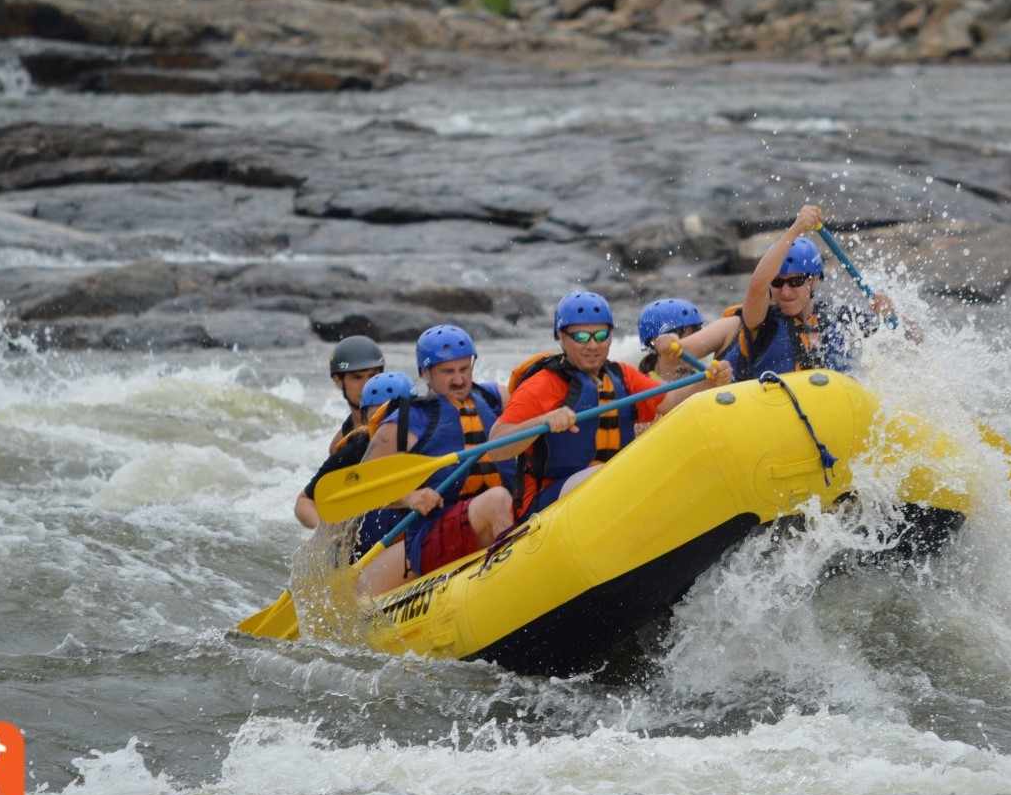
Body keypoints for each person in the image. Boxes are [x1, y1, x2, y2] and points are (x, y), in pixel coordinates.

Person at [489, 291, 734, 516]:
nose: (593, 345)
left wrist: (709, 382)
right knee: (615, 475)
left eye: (601, 335)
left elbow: (671, 402)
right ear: (561, 338)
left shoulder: (622, 376)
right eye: (582, 337)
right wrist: (542, 420)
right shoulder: (543, 384)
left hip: (612, 493)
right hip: (548, 505)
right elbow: (496, 446)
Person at [363, 325, 516, 579]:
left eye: (464, 369)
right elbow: (365, 486)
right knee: (497, 499)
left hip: (496, 515)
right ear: (425, 372)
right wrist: (409, 497)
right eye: (448, 372)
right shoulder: (408, 420)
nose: (459, 379)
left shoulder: (495, 398)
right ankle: (514, 580)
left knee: (507, 499)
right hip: (433, 537)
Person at [711, 203, 903, 380]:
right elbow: (757, 286)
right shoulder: (760, 322)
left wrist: (890, 315)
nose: (785, 292)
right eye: (777, 283)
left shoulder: (839, 316)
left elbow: (913, 340)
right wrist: (795, 229)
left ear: (814, 281)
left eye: (795, 282)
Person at [296, 371, 416, 580]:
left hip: (410, 543)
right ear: (364, 419)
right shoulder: (355, 452)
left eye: (396, 415)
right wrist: (330, 529)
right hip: (364, 553)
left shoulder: (432, 439)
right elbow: (304, 501)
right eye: (379, 417)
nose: (389, 426)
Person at [325, 335, 386, 452]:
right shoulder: (339, 444)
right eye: (357, 378)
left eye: (372, 376)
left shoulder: (405, 416)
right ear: (338, 381)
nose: (367, 385)